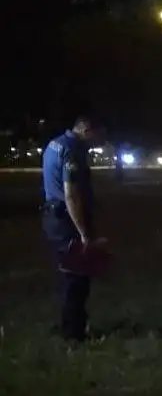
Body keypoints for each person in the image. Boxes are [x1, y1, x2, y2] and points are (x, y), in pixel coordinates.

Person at [41, 116, 104, 342]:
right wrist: (83, 233)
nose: (98, 141)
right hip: (66, 220)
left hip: (52, 216)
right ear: (86, 130)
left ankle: (69, 326)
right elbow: (71, 195)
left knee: (67, 276)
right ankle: (73, 335)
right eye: (97, 135)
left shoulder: (54, 144)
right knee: (77, 278)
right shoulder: (72, 151)